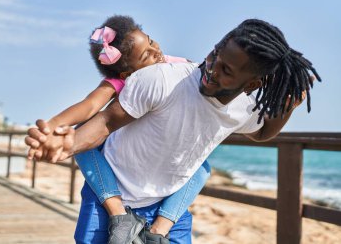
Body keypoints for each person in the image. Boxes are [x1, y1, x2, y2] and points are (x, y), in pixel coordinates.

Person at [26, 19, 321, 244]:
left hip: (166, 205)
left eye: (226, 71)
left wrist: (287, 108)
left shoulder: (243, 108)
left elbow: (261, 132)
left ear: (251, 85)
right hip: (111, 192)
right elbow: (105, 123)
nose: (211, 68)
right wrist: (68, 144)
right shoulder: (162, 80)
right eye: (215, 53)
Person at [28, 15, 211, 243]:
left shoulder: (173, 65)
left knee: (202, 166)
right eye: (146, 55)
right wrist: (53, 126)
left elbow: (203, 74)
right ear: (127, 74)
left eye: (152, 41)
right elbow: (91, 104)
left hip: (164, 168)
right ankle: (117, 211)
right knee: (83, 136)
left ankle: (162, 226)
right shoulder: (124, 81)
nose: (156, 52)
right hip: (122, 163)